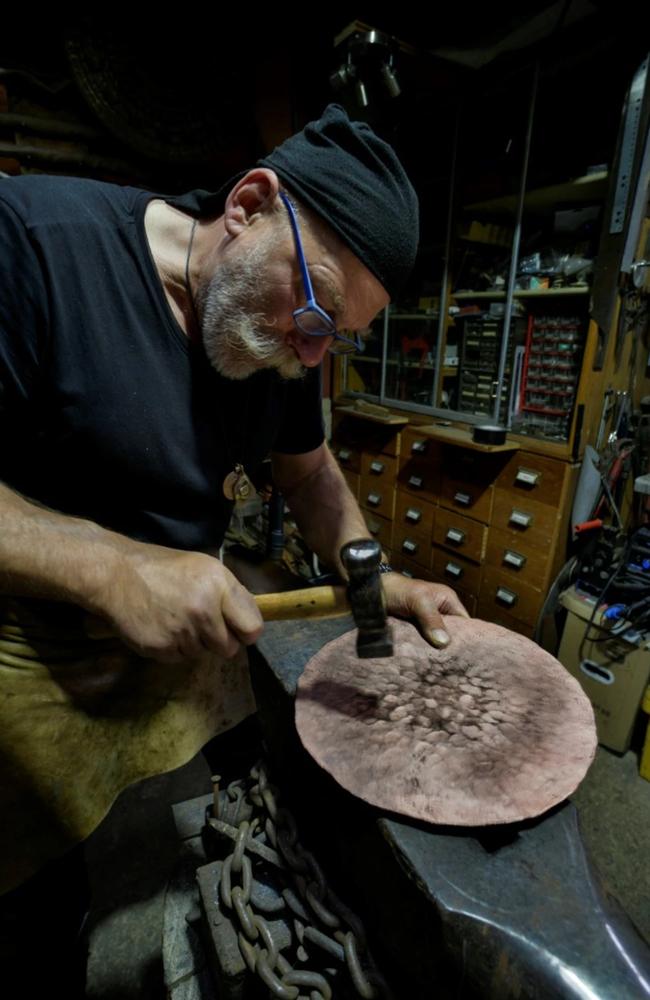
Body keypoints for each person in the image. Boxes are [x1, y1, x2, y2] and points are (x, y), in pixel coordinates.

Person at [0, 103, 467, 985]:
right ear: (250, 203)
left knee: (194, 822)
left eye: (340, 336)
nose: (311, 349)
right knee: (33, 906)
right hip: (23, 658)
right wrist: (111, 566)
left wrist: (376, 577)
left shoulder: (285, 339)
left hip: (173, 641)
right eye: (318, 305)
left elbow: (311, 474)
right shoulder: (33, 246)